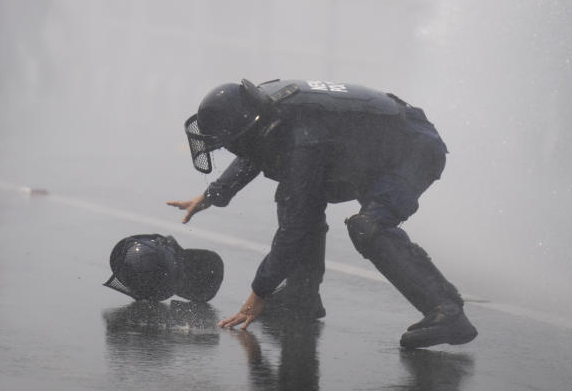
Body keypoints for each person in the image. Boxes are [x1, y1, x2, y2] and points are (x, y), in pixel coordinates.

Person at [168, 79, 478, 350]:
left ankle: (447, 312)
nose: (232, 151)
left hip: (415, 151)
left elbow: (297, 225)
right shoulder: (265, 109)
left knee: (368, 227)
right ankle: (302, 295)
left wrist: (258, 294)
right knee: (296, 195)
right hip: (378, 147)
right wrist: (212, 194)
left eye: (229, 145)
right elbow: (256, 150)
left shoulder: (304, 137)